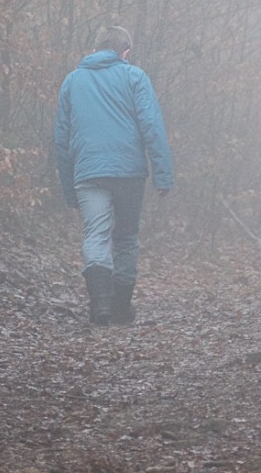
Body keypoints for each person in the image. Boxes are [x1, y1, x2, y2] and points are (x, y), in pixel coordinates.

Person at [55, 25, 174, 326]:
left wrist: (69, 188)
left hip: (88, 171)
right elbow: (152, 127)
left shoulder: (72, 81)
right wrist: (162, 173)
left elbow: (61, 139)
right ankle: (121, 306)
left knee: (95, 234)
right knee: (125, 237)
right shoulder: (135, 76)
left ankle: (100, 306)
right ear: (126, 52)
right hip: (129, 172)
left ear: (94, 49)